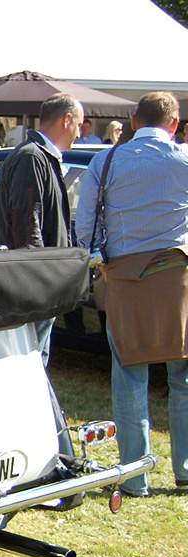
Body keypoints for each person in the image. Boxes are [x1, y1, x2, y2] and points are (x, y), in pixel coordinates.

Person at [75, 91, 188, 497]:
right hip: (178, 276)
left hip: (124, 276)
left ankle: (134, 476)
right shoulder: (185, 160)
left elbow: (85, 223)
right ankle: (186, 469)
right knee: (184, 377)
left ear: (135, 121)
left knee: (129, 376)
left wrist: (102, 257)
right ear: (173, 125)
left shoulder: (104, 161)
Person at [0, 93, 84, 366]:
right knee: (30, 360)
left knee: (36, 357)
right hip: (34, 282)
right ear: (67, 120)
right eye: (79, 124)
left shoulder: (39, 156)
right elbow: (26, 221)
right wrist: (39, 276)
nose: (79, 133)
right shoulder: (32, 157)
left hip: (42, 278)